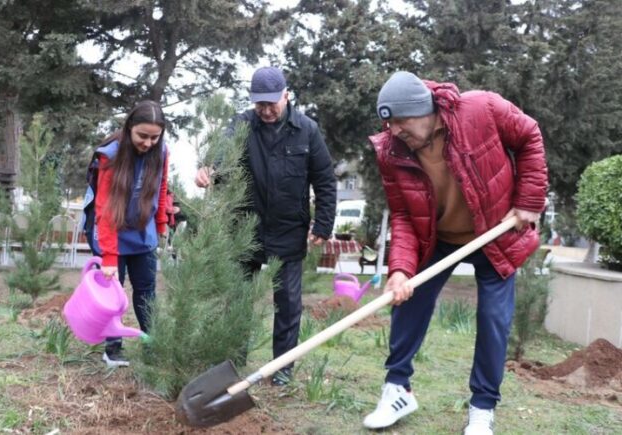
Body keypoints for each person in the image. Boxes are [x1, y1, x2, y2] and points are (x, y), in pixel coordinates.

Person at [363, 72, 547, 434]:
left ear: (425, 110)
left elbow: (529, 136)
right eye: (390, 123)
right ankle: (397, 389)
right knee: (407, 301)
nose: (395, 130)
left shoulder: (481, 110)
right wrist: (400, 269)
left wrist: (529, 201)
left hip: (495, 233)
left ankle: (482, 409)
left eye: (402, 121)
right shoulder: (391, 150)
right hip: (438, 238)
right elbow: (402, 213)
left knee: (494, 320)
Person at [195, 66, 337, 386]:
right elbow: (223, 148)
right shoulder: (242, 124)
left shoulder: (307, 130)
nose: (266, 110)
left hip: (288, 231)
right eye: (260, 103)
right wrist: (210, 167)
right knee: (239, 298)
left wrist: (324, 224)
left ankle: (282, 368)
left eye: (272, 102)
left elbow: (325, 181)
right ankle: (232, 361)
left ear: (286, 95)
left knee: (287, 303)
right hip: (244, 228)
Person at [91, 100, 170, 367]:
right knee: (113, 296)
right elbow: (104, 209)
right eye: (142, 136)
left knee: (147, 292)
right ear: (129, 129)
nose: (148, 143)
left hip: (142, 234)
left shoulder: (162, 152)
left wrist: (160, 226)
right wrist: (110, 256)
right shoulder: (110, 155)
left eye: (154, 137)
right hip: (111, 235)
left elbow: (161, 189)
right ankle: (112, 348)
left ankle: (152, 345)